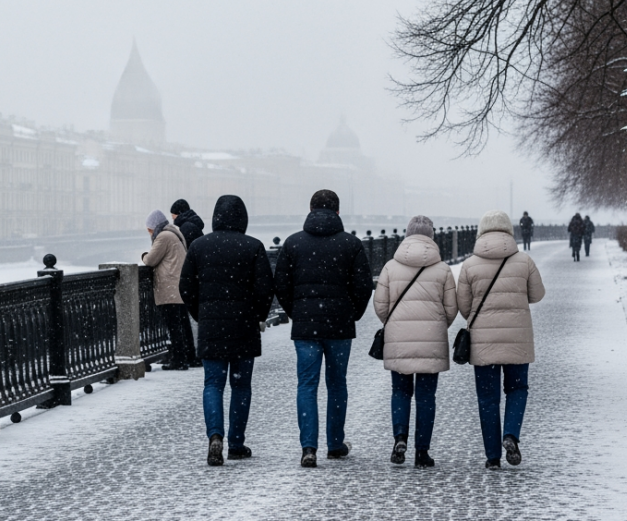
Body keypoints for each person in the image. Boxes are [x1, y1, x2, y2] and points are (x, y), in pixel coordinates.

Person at [274, 189, 374, 468]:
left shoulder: (293, 244)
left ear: (310, 209)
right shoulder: (351, 244)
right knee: (337, 384)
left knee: (306, 385)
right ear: (338, 212)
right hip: (339, 326)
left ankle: (308, 447)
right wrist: (351, 313)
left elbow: (280, 285)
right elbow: (364, 286)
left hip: (306, 326)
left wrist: (297, 312)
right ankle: (334, 443)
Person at [179, 195, 275, 466]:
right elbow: (265, 289)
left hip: (211, 325)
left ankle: (214, 437)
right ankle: (236, 442)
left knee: (213, 383)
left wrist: (202, 313)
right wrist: (256, 315)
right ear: (243, 218)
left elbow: (186, 287)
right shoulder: (253, 247)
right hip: (243, 326)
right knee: (241, 385)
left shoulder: (199, 246)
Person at [457, 210, 546, 470]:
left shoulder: (470, 264)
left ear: (481, 231)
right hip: (517, 338)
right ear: (510, 230)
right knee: (517, 389)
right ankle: (511, 434)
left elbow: (463, 306)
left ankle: (493, 456)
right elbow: (537, 294)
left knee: (488, 398)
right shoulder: (523, 260)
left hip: (483, 342)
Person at [373, 215, 457, 468]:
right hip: (431, 341)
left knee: (400, 391)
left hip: (399, 340)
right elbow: (452, 308)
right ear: (431, 237)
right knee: (426, 396)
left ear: (407, 236)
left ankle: (400, 438)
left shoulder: (390, 266)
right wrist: (437, 325)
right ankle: (422, 451)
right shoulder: (442, 269)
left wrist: (395, 323)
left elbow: (380, 306)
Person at [142, 210, 196, 370]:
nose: (149, 233)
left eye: (149, 229)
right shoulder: (175, 234)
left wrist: (143, 255)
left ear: (155, 226)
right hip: (179, 286)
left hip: (170, 287)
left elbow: (150, 260)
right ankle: (189, 356)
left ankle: (179, 360)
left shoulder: (163, 237)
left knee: (174, 326)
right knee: (182, 324)